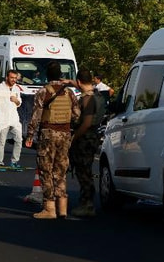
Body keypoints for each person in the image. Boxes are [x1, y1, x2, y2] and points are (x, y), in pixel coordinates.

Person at [24, 61, 80, 219]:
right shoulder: (69, 93)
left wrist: (30, 135)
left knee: (46, 170)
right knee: (61, 170)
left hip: (48, 134)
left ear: (47, 75)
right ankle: (62, 207)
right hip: (65, 135)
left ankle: (49, 208)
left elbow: (36, 116)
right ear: (61, 75)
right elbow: (77, 115)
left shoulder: (43, 92)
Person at [69, 68, 104, 217]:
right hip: (93, 138)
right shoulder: (97, 95)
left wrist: (74, 138)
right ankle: (87, 203)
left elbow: (86, 122)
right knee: (87, 171)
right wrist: (70, 82)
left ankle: (87, 204)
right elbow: (84, 86)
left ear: (79, 81)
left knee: (84, 173)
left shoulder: (87, 99)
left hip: (85, 139)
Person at [0, 69, 23, 168]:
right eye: (12, 78)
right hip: (2, 119)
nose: (13, 80)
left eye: (15, 78)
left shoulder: (16, 89)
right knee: (2, 142)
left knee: (19, 140)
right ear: (7, 77)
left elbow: (19, 103)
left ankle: (14, 161)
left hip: (13, 118)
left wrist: (16, 100)